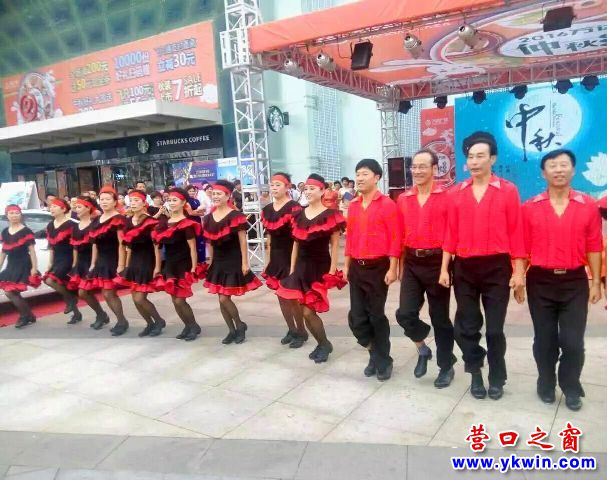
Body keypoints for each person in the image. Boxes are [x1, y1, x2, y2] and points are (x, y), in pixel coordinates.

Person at [439, 131, 525, 401]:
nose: (474, 162)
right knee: (466, 327)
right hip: (464, 268)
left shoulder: (508, 191)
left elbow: (516, 233)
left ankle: (497, 377)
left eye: (480, 156)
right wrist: (444, 268)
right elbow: (450, 234)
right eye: (471, 157)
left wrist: (519, 272)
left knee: (495, 330)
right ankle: (475, 371)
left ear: (492, 159)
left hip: (497, 268)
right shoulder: (456, 193)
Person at [518, 149, 601, 411]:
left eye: (564, 165)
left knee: (573, 342)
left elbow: (594, 246)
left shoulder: (587, 205)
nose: (558, 170)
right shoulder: (530, 207)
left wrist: (596, 282)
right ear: (544, 173)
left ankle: (571, 386)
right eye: (552, 165)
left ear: (573, 170)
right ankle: (546, 381)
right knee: (545, 340)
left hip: (575, 282)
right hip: (540, 282)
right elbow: (521, 247)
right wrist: (518, 276)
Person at [396, 149, 456, 388]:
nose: (417, 171)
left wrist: (445, 269)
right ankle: (422, 348)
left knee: (440, 318)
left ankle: (446, 366)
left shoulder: (446, 197)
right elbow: (400, 235)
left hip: (438, 262)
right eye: (414, 166)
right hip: (412, 262)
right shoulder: (403, 199)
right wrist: (400, 266)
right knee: (405, 314)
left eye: (423, 166)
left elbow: (451, 234)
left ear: (434, 169)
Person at [276, 174, 346, 363]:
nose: (307, 192)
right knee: (301, 307)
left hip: (319, 267)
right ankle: (321, 344)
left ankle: (324, 343)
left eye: (312, 188)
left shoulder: (331, 215)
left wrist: (332, 271)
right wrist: (292, 270)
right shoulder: (299, 215)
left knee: (308, 311)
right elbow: (296, 245)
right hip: (301, 267)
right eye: (306, 188)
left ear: (323, 191)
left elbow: (335, 245)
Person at [344, 159, 401, 381]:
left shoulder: (387, 204)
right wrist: (346, 266)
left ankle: (383, 360)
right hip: (357, 268)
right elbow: (350, 238)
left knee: (376, 316)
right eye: (357, 174)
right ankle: (374, 354)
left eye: (364, 174)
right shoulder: (353, 206)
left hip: (378, 268)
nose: (359, 178)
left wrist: (393, 268)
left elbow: (395, 238)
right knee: (357, 317)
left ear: (376, 177)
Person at [203, 180, 262, 344]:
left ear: (228, 195)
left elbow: (243, 241)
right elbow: (210, 243)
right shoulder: (208, 218)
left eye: (219, 193)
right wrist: (211, 262)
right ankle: (231, 330)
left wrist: (245, 262)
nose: (215, 196)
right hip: (218, 262)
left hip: (233, 260)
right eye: (214, 193)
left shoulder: (236, 216)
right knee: (220, 298)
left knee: (224, 298)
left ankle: (239, 324)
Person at [261, 172, 307, 348]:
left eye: (278, 185)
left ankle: (301, 331)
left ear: (287, 187)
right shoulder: (267, 210)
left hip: (291, 256)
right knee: (281, 297)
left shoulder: (294, 208)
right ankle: (291, 329)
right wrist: (268, 258)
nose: (274, 188)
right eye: (272, 185)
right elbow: (269, 237)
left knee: (292, 297)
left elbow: (298, 237)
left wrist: (295, 264)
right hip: (276, 257)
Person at [152, 187, 204, 341]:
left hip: (184, 264)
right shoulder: (164, 224)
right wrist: (157, 267)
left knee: (180, 299)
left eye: (175, 200)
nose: (171, 203)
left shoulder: (187, 224)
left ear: (183, 202)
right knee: (174, 299)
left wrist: (193, 267)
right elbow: (158, 248)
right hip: (170, 264)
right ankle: (187, 326)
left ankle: (193, 326)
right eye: (169, 200)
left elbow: (192, 248)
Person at [115, 191, 166, 337]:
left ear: (144, 203)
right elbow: (128, 246)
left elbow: (157, 247)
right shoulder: (128, 221)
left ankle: (159, 320)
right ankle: (149, 323)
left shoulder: (150, 221)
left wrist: (157, 267)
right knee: (135, 298)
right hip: (134, 262)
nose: (133, 203)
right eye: (131, 200)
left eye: (137, 200)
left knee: (140, 298)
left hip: (147, 261)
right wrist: (126, 265)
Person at [82, 186, 130, 336]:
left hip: (113, 259)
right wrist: (93, 264)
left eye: (108, 199)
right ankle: (114, 318)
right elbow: (94, 244)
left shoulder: (119, 219)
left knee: (109, 293)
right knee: (102, 292)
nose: (104, 202)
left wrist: (121, 265)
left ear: (115, 201)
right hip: (101, 261)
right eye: (101, 199)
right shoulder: (96, 220)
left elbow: (122, 244)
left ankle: (122, 321)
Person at [68, 196, 110, 327]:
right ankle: (101, 314)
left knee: (83, 292)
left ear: (88, 208)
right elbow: (75, 247)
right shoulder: (75, 227)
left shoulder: (93, 225)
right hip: (80, 263)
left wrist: (93, 264)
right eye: (76, 207)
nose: (76, 209)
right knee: (84, 292)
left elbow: (95, 246)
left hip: (91, 261)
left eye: (79, 207)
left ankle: (101, 314)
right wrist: (74, 264)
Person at [42, 198, 82, 324]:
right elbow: (51, 245)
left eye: (55, 206)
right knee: (58, 283)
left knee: (51, 280)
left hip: (69, 257)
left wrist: (75, 263)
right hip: (57, 258)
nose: (52, 208)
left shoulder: (71, 224)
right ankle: (76, 312)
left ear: (63, 209)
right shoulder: (50, 225)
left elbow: (76, 245)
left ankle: (71, 299)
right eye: (51, 206)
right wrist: (50, 262)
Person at [0, 205, 40, 328]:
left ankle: (24, 316)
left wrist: (34, 267)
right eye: (11, 213)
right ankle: (29, 315)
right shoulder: (5, 232)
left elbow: (32, 251)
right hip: (11, 264)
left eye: (17, 213)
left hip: (24, 263)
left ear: (20, 215)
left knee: (10, 292)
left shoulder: (26, 231)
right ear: (7, 216)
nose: (14, 216)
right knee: (12, 292)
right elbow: (3, 252)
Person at [185, 185, 206, 264]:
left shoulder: (197, 200)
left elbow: (203, 212)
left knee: (200, 240)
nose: (192, 192)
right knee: (193, 241)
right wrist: (198, 212)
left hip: (198, 221)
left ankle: (202, 260)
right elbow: (190, 213)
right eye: (190, 191)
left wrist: (196, 212)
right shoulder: (186, 201)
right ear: (186, 192)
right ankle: (194, 262)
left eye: (193, 191)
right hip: (190, 223)